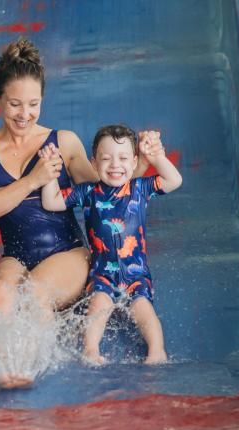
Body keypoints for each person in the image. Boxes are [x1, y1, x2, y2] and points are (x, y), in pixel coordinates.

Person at [0, 37, 161, 393]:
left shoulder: (62, 141)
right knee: (2, 290)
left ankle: (23, 366)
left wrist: (143, 158)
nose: (24, 113)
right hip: (16, 254)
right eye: (15, 104)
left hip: (69, 254)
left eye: (33, 104)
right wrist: (33, 180)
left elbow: (109, 190)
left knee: (34, 293)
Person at [39, 124, 182, 364]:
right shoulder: (88, 192)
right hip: (102, 273)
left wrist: (157, 158)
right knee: (97, 306)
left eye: (124, 158)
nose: (115, 165)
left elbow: (174, 180)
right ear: (94, 163)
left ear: (135, 161)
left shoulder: (140, 188)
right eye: (106, 159)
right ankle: (91, 350)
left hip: (136, 273)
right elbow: (52, 202)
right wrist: (51, 174)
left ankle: (157, 351)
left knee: (143, 308)